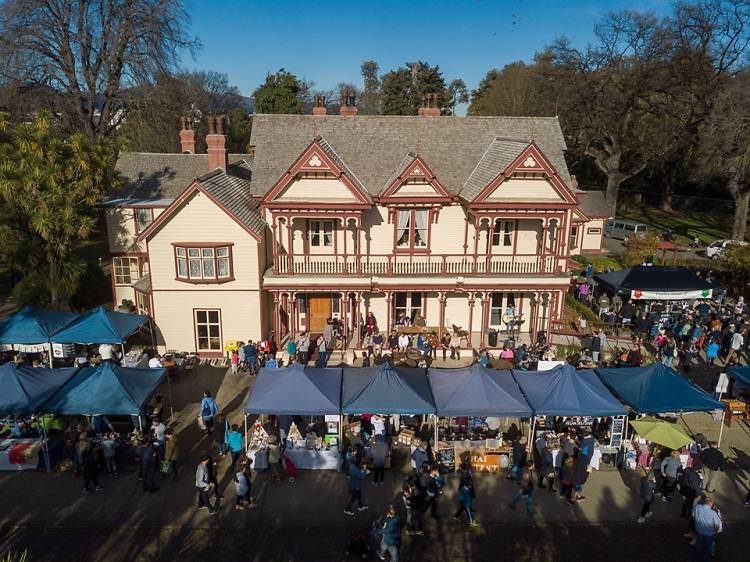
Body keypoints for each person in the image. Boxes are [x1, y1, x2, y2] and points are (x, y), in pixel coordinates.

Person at [692, 497, 722, 562]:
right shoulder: (713, 513)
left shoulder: (697, 507)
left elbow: (693, 516)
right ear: (711, 504)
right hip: (709, 534)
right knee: (707, 549)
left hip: (699, 532)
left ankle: (698, 558)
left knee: (699, 546)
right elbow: (716, 527)